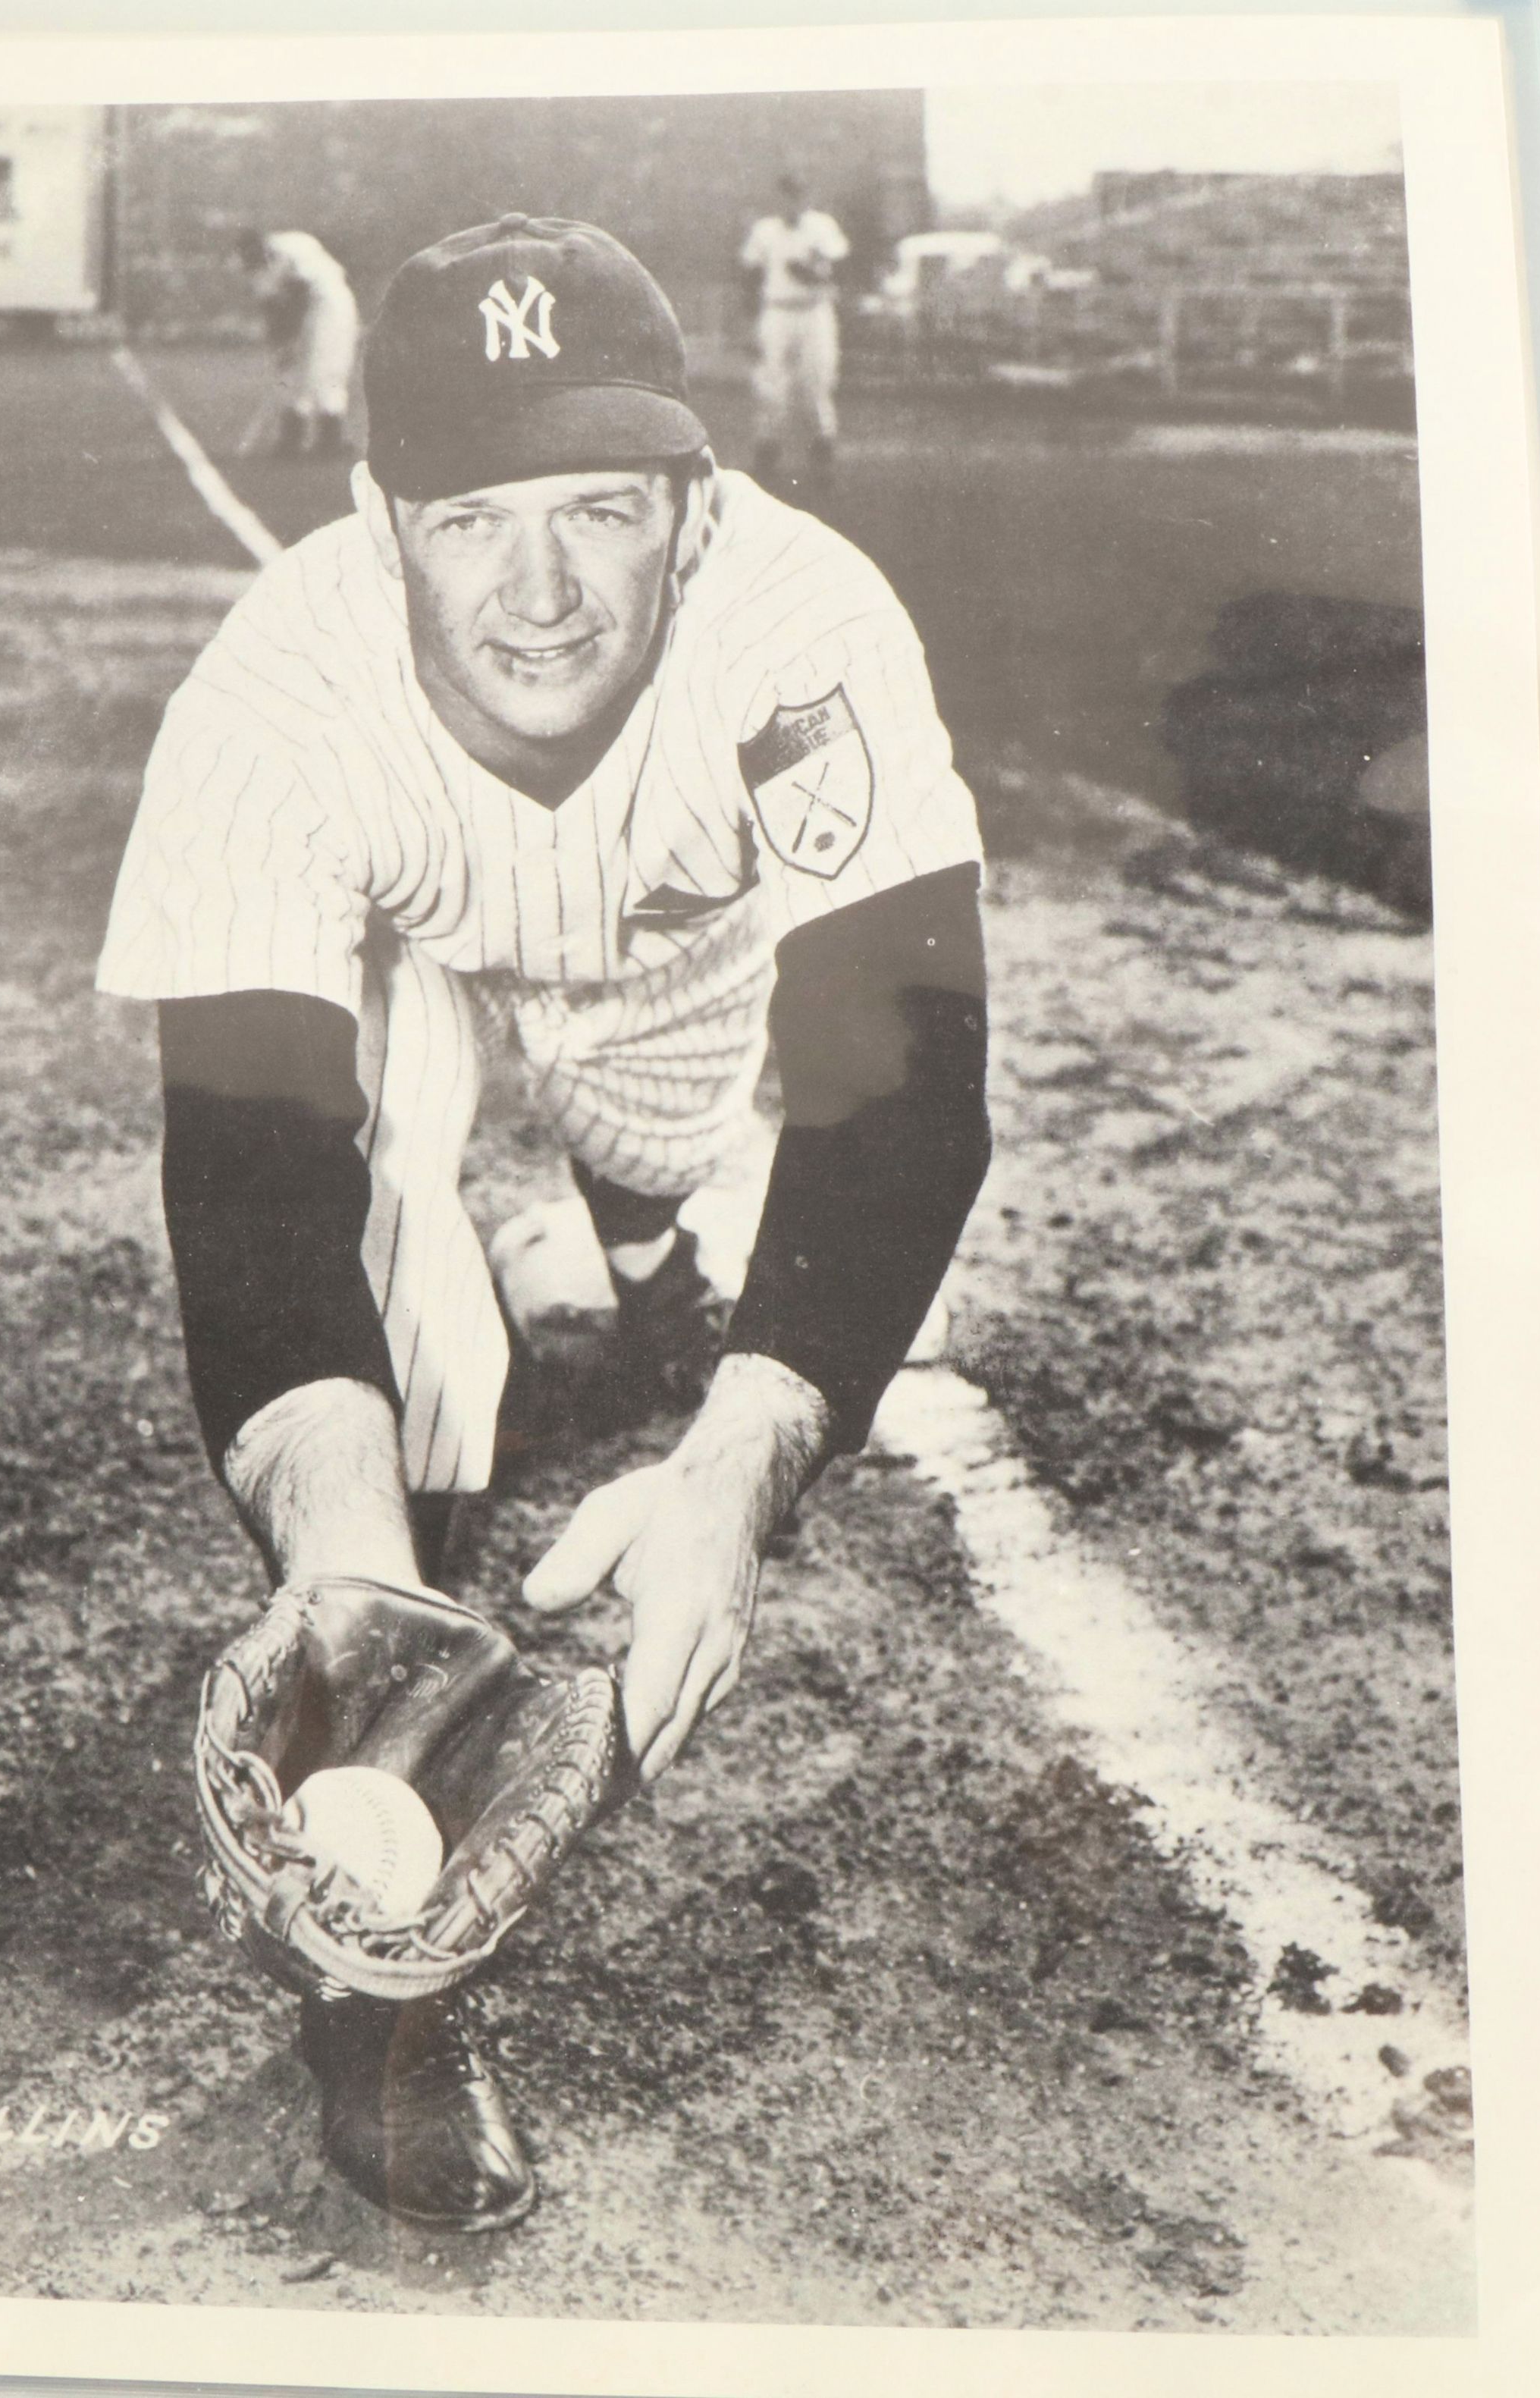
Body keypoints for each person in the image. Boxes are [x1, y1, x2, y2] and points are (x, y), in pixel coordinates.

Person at [98, 215, 990, 2231]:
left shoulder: (797, 626)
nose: (542, 589)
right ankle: (382, 2001)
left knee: (674, 1174)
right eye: (472, 517)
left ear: (693, 502)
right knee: (417, 1299)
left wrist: (737, 1480)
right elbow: (255, 1175)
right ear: (376, 511)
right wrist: (343, 1581)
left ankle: (655, 1257)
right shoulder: (281, 697)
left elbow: (906, 1088)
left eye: (603, 506)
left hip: (678, 956)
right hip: (411, 942)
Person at [738, 171, 852, 490]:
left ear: (808, 197)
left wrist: (813, 275)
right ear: (779, 198)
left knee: (817, 381)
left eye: (800, 195)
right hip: (777, 310)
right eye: (788, 195)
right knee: (771, 383)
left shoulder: (822, 227)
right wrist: (749, 323)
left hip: (814, 311)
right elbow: (749, 274)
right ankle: (767, 452)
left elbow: (840, 266)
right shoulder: (766, 231)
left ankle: (823, 452)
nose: (794, 202)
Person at [234, 228, 359, 457]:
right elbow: (273, 308)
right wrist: (282, 345)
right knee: (299, 372)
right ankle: (295, 437)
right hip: (314, 308)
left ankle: (328, 438)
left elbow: (299, 292)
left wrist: (291, 338)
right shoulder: (262, 267)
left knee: (326, 369)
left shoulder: (289, 247)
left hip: (329, 304)